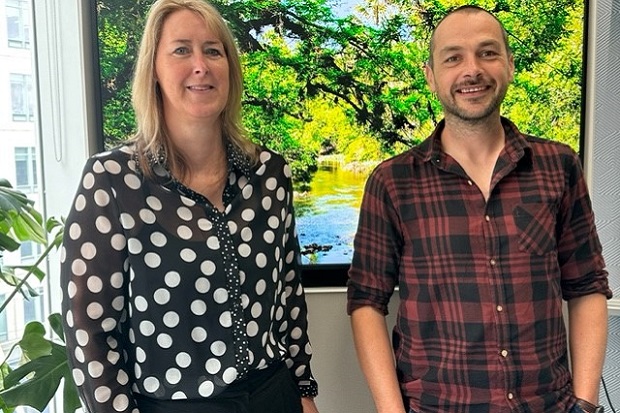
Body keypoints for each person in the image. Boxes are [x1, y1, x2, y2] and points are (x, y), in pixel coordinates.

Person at [347, 5, 612, 413]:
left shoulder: (559, 166)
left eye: (488, 53)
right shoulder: (392, 183)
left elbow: (588, 285)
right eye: (453, 57)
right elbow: (366, 302)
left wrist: (585, 401)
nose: (472, 70)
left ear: (509, 64)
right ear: (431, 76)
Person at [60, 1, 320, 412]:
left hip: (275, 396)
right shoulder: (112, 181)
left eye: (213, 51)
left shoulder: (269, 174)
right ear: (154, 70)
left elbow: (288, 294)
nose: (201, 65)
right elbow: (89, 329)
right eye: (181, 50)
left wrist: (303, 390)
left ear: (230, 69)